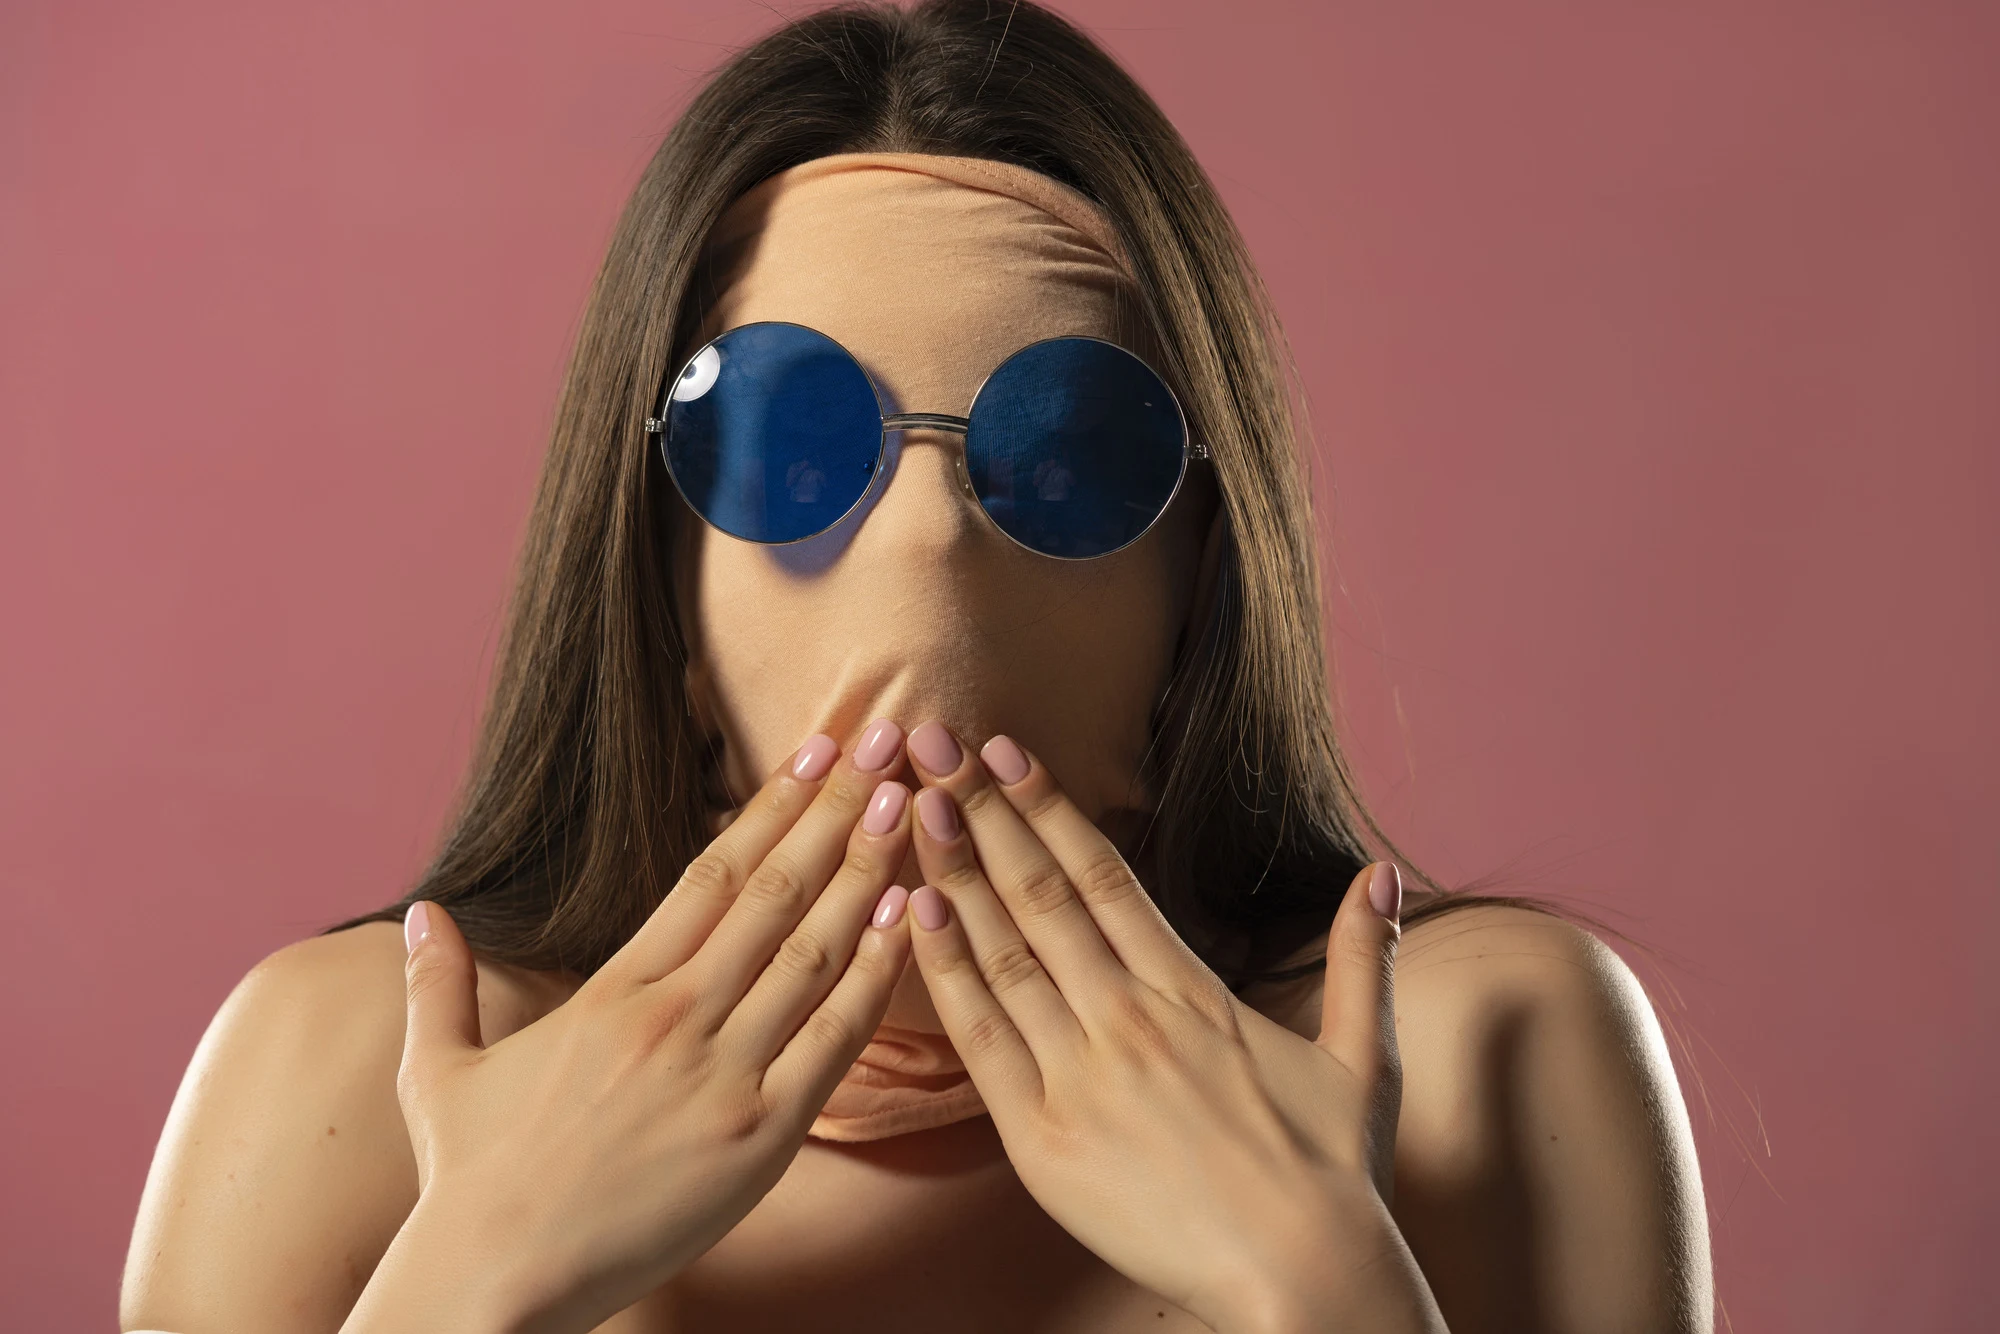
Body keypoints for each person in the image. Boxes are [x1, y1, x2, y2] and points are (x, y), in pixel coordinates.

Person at [120, 3, 1712, 1331]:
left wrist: (1328, 1284)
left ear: (1201, 590)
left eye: (1071, 452)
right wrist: (468, 1281)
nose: (933, 546)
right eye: (793, 445)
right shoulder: (359, 1080)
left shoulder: (1480, 1062)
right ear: (660, 593)